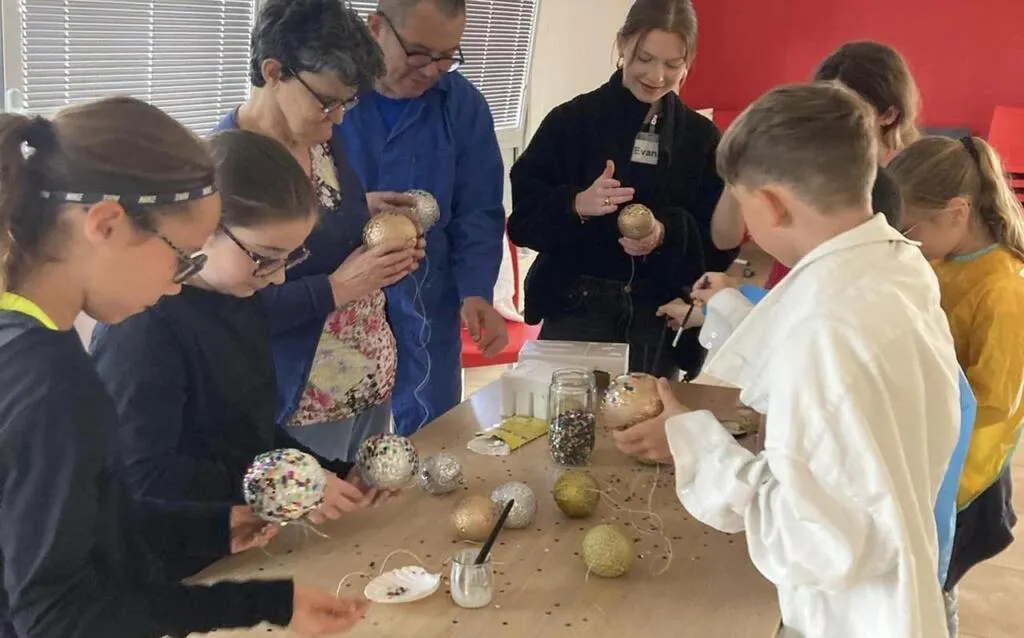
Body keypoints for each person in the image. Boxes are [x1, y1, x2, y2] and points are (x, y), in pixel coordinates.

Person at [0, 98, 366, 637]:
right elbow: (58, 615)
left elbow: (87, 526)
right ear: (106, 225)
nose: (178, 283)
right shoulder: (52, 383)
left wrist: (217, 530)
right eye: (184, 257)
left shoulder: (25, 339)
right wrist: (249, 604)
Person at [612, 83, 959, 636]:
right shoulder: (894, 263)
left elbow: (816, 542)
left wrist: (697, 442)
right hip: (897, 552)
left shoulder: (828, 333)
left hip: (847, 613)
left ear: (769, 204)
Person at [90, 130, 382, 578]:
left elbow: (249, 431)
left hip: (238, 545)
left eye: (290, 257)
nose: (279, 278)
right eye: (264, 257)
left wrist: (331, 471)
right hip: (173, 563)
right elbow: (144, 474)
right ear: (203, 228)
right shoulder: (143, 326)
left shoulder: (240, 297)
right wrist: (286, 486)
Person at [216, 0, 423, 462]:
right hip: (299, 404)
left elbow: (314, 230)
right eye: (327, 102)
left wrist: (361, 214)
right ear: (273, 71)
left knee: (368, 525)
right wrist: (338, 287)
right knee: (311, 531)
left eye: (347, 103)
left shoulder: (318, 140)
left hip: (366, 379)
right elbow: (226, 309)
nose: (339, 119)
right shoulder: (230, 167)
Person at [508, 0, 730, 379]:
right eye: (645, 57)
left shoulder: (701, 138)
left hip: (656, 314)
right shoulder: (571, 122)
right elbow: (523, 224)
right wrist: (576, 203)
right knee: (559, 426)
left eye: (673, 64)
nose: (657, 75)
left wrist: (666, 234)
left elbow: (719, 245)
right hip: (576, 305)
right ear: (622, 43)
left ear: (688, 62)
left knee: (643, 431)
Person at [342, 0, 509, 434]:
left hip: (428, 302)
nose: (433, 69)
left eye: (448, 56)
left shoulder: (463, 105)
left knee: (433, 436)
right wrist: (354, 211)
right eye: (418, 53)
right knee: (345, 450)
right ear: (375, 28)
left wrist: (476, 292)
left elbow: (479, 210)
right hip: (339, 305)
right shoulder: (330, 95)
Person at [888, 134, 1024, 634]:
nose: (904, 242)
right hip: (928, 464)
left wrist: (941, 494)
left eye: (907, 229)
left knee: (932, 593)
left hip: (964, 481)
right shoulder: (942, 262)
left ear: (957, 211)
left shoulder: (1006, 288)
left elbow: (995, 408)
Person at [711, 41, 919, 289]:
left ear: (889, 115)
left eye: (847, 109)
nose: (827, 120)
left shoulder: (903, 180)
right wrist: (741, 164)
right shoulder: (801, 156)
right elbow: (725, 239)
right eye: (822, 104)